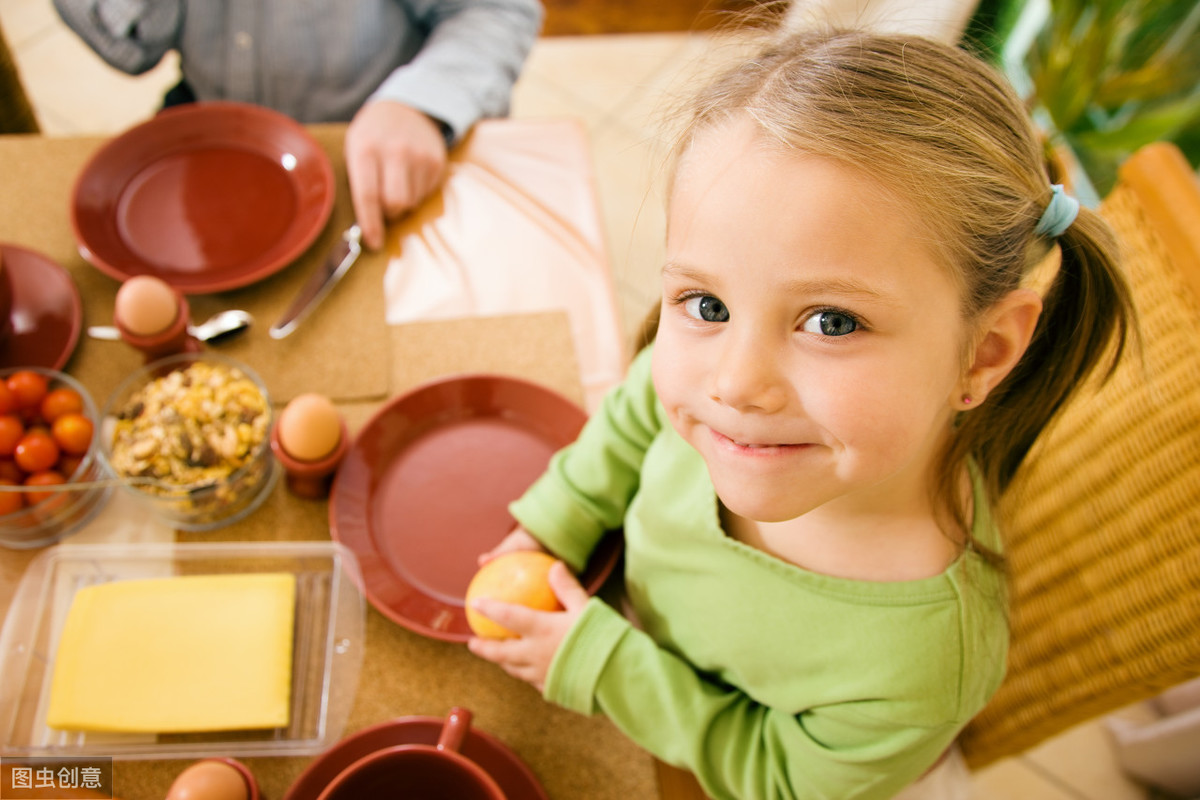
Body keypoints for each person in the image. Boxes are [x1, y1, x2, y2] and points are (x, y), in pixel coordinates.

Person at [466, 26, 1135, 800]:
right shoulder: (721, 411)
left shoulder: (925, 656)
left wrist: (604, 665)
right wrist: (558, 518)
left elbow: (778, 776)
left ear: (981, 355)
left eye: (832, 322)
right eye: (707, 303)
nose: (737, 383)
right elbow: (633, 412)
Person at [52, 0, 543, 251]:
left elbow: (496, 8)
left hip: (378, 143)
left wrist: (422, 106)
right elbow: (135, 48)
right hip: (220, 138)